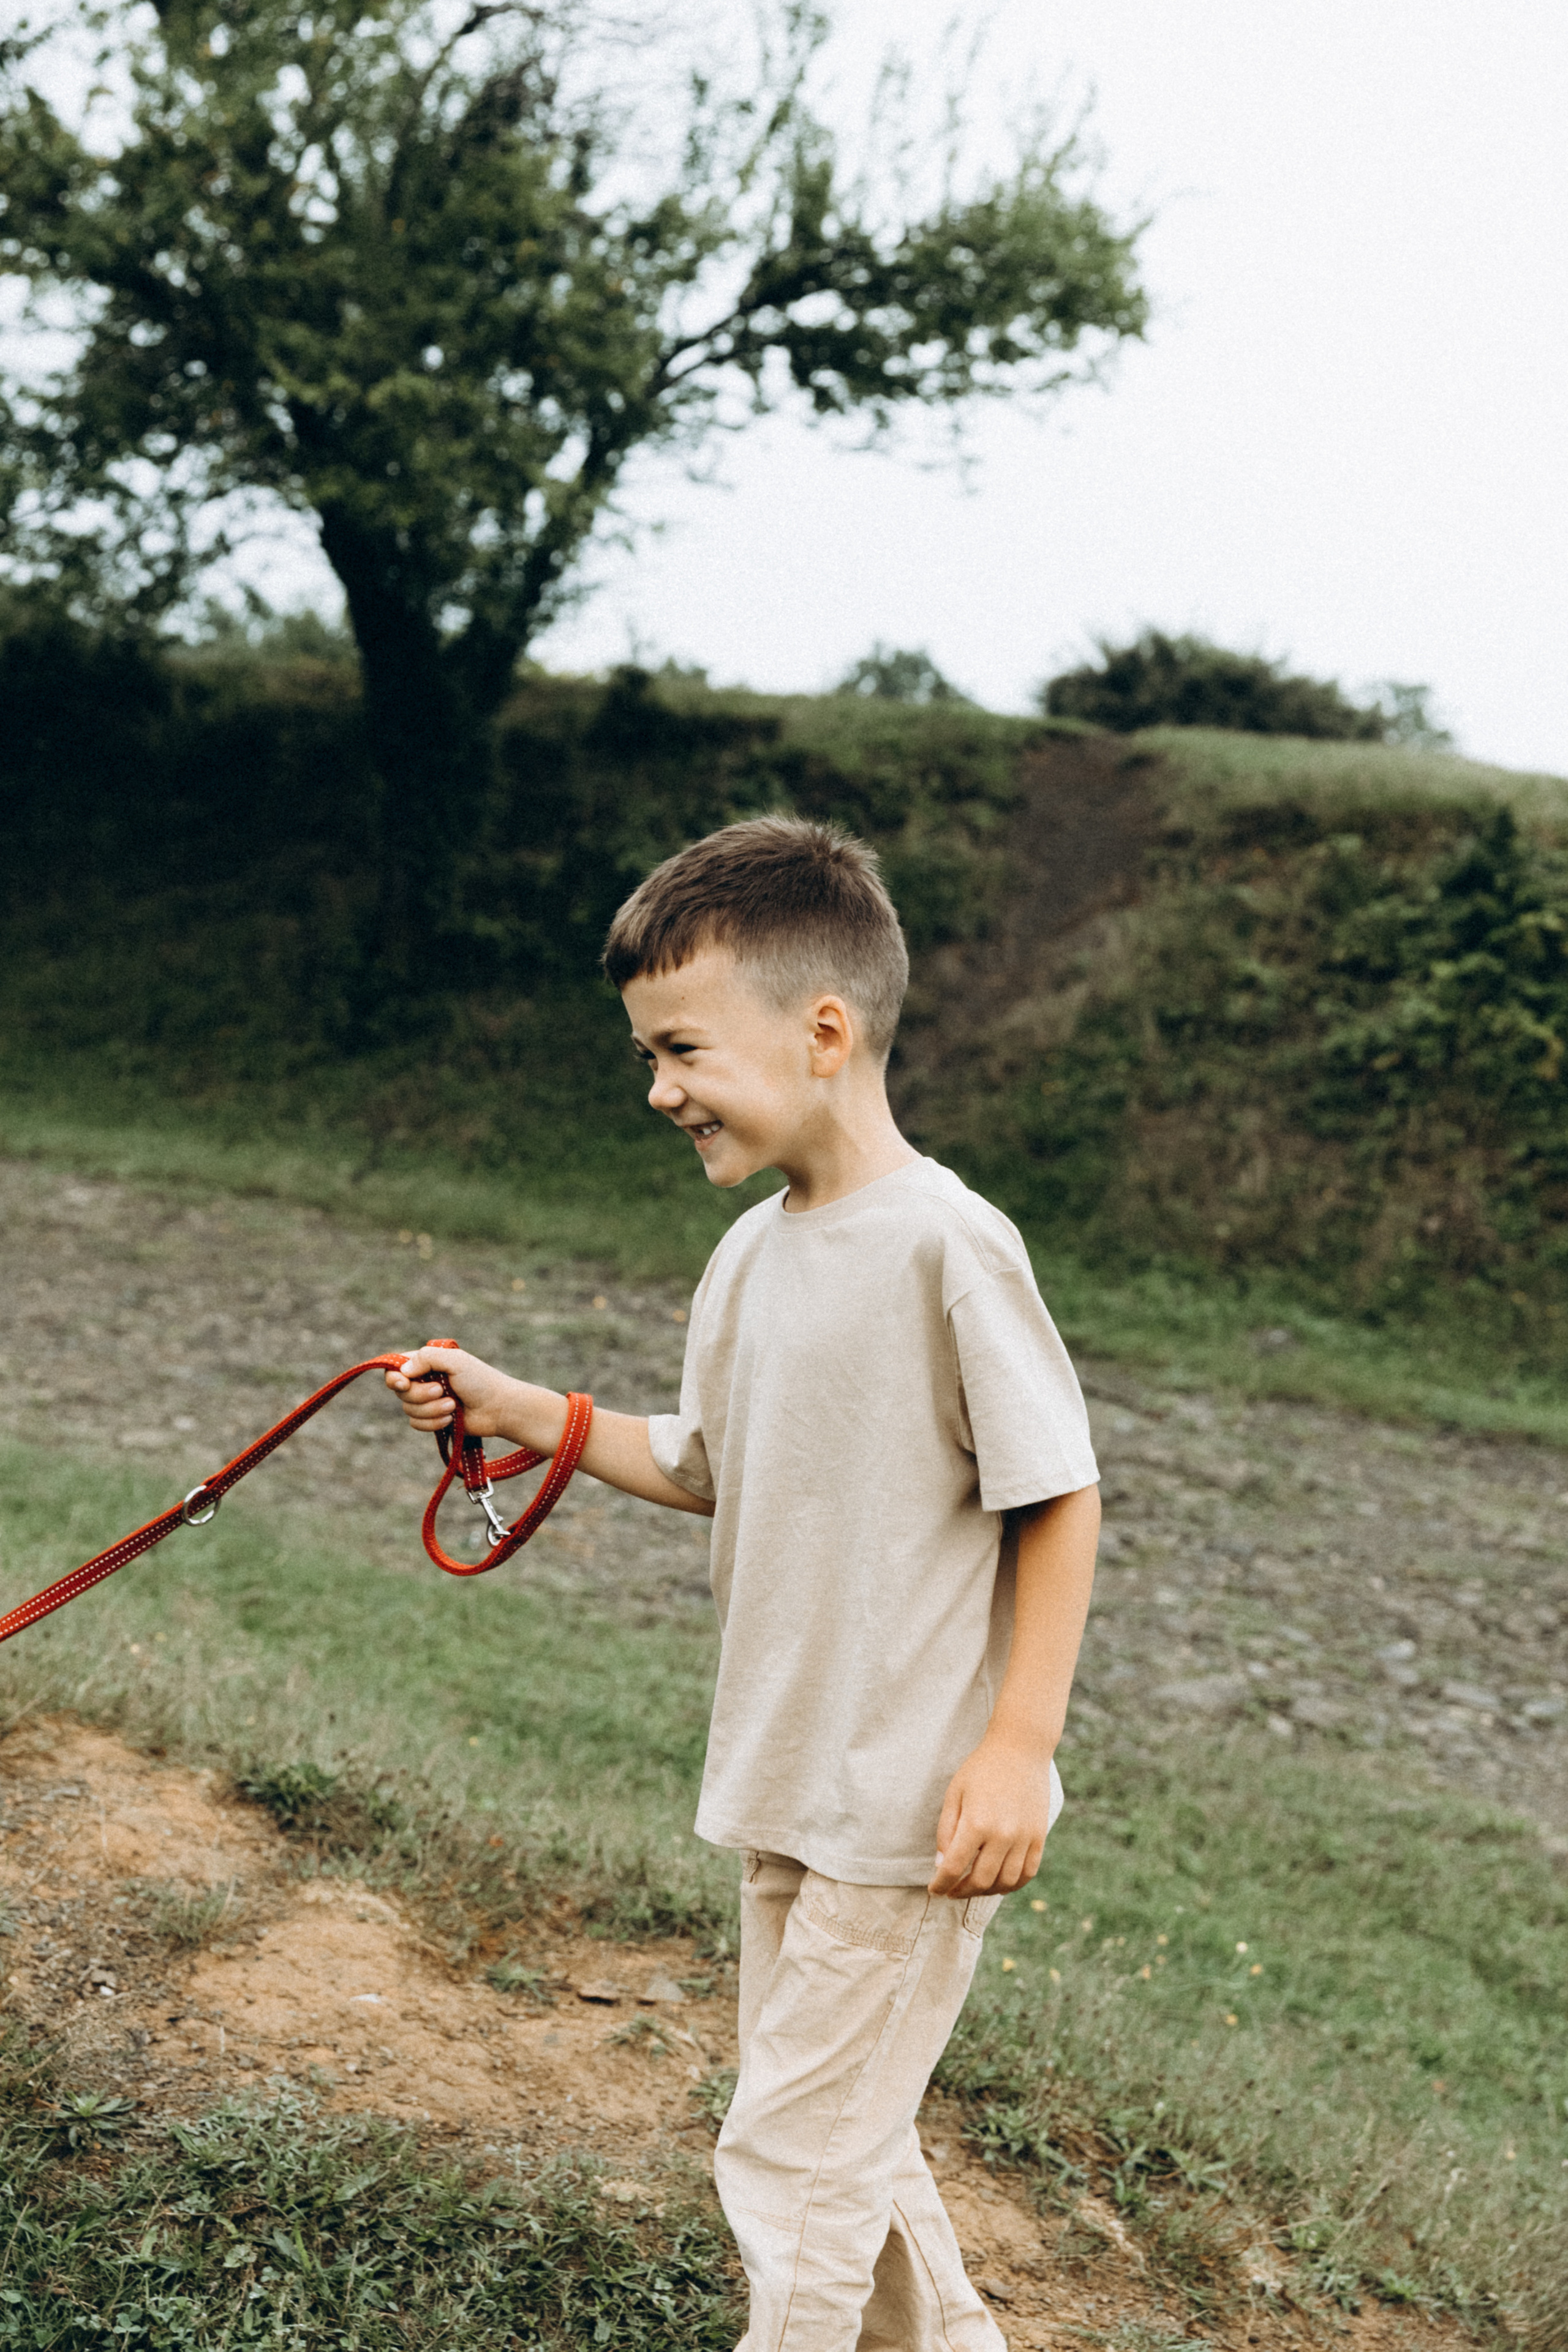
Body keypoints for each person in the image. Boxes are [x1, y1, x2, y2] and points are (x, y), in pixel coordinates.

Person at [388, 815, 1100, 2351]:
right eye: (648, 1054)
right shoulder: (749, 1258)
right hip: (785, 1783)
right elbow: (706, 1459)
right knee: (848, 2134)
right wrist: (529, 1411)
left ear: (823, 1031)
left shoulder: (946, 1248)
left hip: (905, 1809)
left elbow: (1057, 1495)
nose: (657, 1090)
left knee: (789, 2160)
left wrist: (1018, 1748)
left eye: (682, 1050)